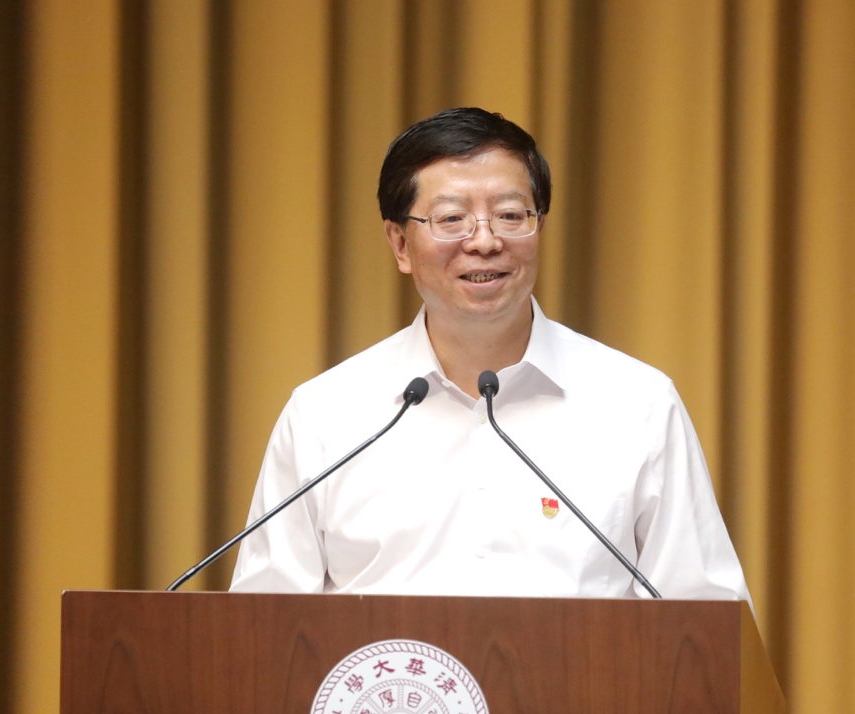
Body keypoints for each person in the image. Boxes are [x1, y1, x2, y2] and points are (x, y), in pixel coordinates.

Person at [230, 107, 750, 603]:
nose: (484, 241)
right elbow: (261, 630)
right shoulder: (324, 415)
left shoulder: (637, 405)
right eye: (452, 218)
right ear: (400, 244)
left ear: (539, 228)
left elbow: (706, 622)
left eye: (509, 215)